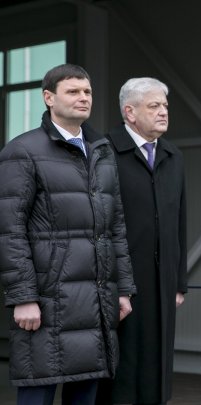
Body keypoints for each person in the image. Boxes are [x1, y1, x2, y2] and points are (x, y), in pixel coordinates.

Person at [0, 64, 135, 405]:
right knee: (38, 390)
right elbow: (9, 230)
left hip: (95, 301)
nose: (82, 98)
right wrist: (23, 297)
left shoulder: (101, 152)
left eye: (87, 92)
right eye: (72, 91)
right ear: (48, 98)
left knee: (85, 392)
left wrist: (123, 290)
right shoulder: (23, 151)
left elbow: (115, 227)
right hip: (48, 301)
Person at [96, 77, 188, 405]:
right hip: (119, 279)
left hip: (163, 280)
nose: (163, 112)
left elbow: (180, 220)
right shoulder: (104, 152)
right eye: (154, 106)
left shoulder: (172, 156)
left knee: (158, 360)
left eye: (165, 106)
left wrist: (179, 281)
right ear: (130, 112)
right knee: (124, 364)